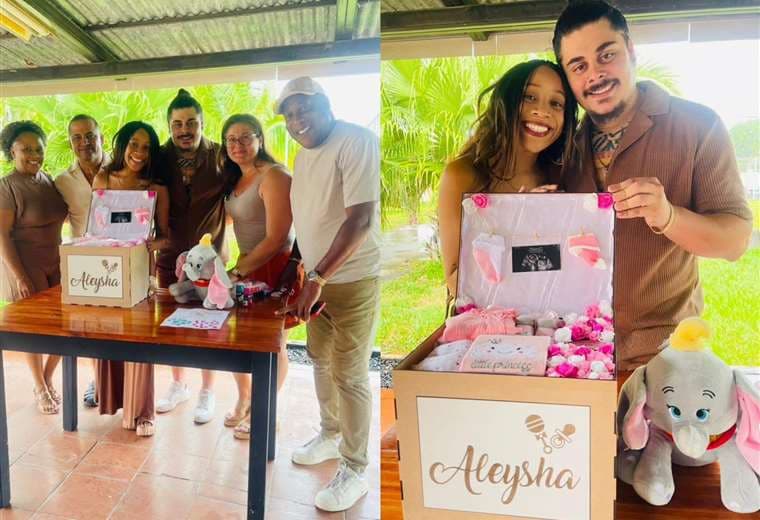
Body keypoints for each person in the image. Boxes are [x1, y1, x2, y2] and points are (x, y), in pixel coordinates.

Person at [552, 0, 752, 370]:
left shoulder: (697, 126)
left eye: (606, 55)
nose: (595, 74)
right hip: (575, 353)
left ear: (630, 50)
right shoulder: (562, 145)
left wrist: (668, 215)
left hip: (666, 356)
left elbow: (735, 241)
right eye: (579, 66)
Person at [277, 77, 380, 512]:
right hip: (316, 280)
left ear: (326, 104)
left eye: (304, 109)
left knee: (350, 374)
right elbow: (310, 220)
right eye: (289, 115)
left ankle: (355, 468)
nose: (297, 120)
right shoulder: (302, 155)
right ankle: (331, 434)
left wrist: (317, 277)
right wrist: (299, 272)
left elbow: (360, 219)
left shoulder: (355, 142)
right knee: (319, 359)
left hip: (352, 280)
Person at [438, 60, 578, 294]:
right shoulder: (461, 175)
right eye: (529, 97)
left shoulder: (561, 178)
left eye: (556, 103)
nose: (542, 111)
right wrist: (516, 216)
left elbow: (566, 265)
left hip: (550, 312)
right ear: (504, 101)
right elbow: (455, 282)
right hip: (489, 315)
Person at [218, 114, 294, 439]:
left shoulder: (274, 175)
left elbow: (278, 237)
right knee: (236, 341)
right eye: (231, 139)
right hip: (246, 266)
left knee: (273, 344)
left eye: (245, 137)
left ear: (260, 138)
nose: (238, 145)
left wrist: (238, 271)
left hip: (274, 268)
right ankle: (245, 398)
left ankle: (266, 409)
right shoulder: (235, 178)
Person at [92, 121, 169, 437]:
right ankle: (114, 400)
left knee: (140, 338)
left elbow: (166, 236)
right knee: (108, 332)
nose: (139, 152)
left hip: (139, 268)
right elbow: (95, 226)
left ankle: (143, 412)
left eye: (146, 147)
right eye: (134, 144)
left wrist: (150, 244)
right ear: (122, 144)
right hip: (107, 268)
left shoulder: (156, 187)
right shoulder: (103, 178)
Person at [155, 89, 227, 424]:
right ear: (169, 126)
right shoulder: (159, 156)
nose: (185, 130)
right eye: (178, 124)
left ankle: (207, 391)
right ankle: (178, 384)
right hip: (169, 257)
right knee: (172, 324)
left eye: (191, 122)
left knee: (209, 325)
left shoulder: (221, 155)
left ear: (202, 123)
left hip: (210, 262)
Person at [0, 121, 68, 414]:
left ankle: (48, 377)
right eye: (25, 149)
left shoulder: (48, 180)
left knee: (65, 327)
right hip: (25, 265)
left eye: (38, 149)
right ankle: (40, 387)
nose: (33, 155)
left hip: (56, 262)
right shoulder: (7, 186)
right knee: (33, 331)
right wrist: (20, 277)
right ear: (11, 152)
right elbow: (2, 235)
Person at [55, 114, 110, 408]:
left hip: (120, 260)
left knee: (123, 326)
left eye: (89, 135)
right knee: (90, 326)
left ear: (101, 137)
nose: (84, 142)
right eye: (77, 137)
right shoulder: (62, 181)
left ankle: (123, 384)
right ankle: (98, 379)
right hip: (84, 266)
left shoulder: (122, 169)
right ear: (70, 143)